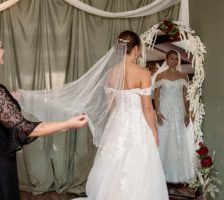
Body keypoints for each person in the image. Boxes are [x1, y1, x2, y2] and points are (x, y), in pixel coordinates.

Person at [16, 30, 169, 200]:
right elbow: (147, 108)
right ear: (136, 49)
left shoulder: (111, 73)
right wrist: (154, 132)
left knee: (115, 164)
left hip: (118, 123)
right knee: (139, 165)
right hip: (138, 124)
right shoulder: (143, 73)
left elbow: (110, 106)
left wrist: (119, 120)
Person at [0, 28, 88, 200]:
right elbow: (25, 128)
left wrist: (8, 96)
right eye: (0, 47)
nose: (3, 51)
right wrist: (68, 123)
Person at [154, 50, 195, 183]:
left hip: (179, 110)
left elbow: (185, 96)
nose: (174, 61)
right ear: (166, 59)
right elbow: (156, 96)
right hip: (164, 110)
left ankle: (179, 174)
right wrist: (158, 112)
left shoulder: (183, 75)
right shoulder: (160, 76)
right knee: (164, 138)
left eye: (176, 59)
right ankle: (162, 174)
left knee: (178, 140)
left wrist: (188, 113)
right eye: (171, 58)